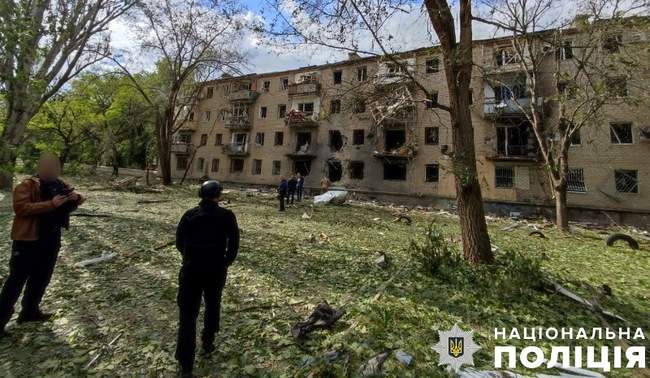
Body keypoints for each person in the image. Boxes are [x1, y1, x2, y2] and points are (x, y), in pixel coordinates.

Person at [0, 154, 84, 339]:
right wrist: (50, 204)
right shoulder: (27, 185)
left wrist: (77, 198)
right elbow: (22, 208)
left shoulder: (60, 184)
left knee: (42, 277)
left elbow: (78, 199)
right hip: (28, 240)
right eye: (47, 167)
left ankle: (30, 311)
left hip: (51, 239)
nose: (51, 170)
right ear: (40, 167)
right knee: (16, 281)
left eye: (55, 167)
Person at [175, 180, 239, 377]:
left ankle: (186, 363)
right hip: (215, 271)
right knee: (213, 305)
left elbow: (179, 242)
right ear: (218, 196)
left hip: (191, 270)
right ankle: (208, 341)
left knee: (187, 315)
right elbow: (234, 243)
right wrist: (225, 262)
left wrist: (189, 257)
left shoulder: (189, 215)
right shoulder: (227, 216)